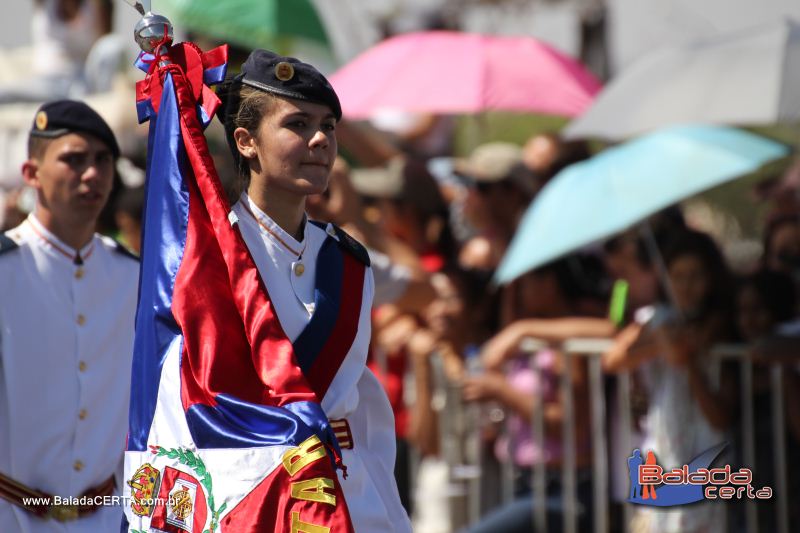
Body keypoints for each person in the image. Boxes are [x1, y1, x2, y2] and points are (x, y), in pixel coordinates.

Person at [220, 49, 411, 532]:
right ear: (246, 142)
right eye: (298, 124)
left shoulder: (350, 262)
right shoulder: (214, 258)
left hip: (349, 493)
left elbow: (362, 409)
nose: (321, 139)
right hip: (253, 495)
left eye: (328, 125)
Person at [0, 100, 138, 531]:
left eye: (102, 160)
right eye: (73, 160)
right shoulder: (5, 269)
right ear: (32, 174)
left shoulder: (132, 275)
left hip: (109, 516)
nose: (92, 174)